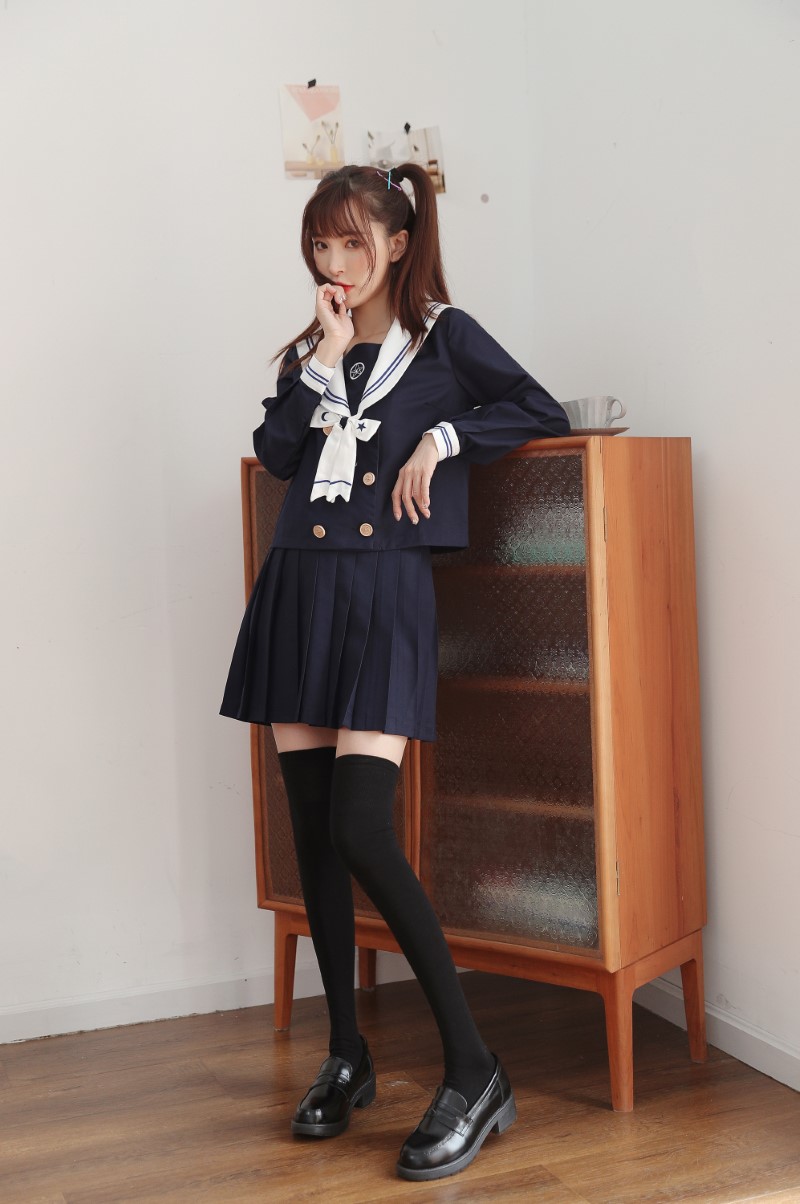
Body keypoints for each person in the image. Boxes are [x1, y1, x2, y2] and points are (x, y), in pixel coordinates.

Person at [219, 162, 569, 1182]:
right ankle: (347, 1053)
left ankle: (474, 1067)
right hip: (298, 588)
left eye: (351, 241)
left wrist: (443, 439)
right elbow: (278, 454)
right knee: (314, 835)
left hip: (383, 594)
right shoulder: (314, 350)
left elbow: (537, 406)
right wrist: (324, 357)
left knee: (361, 826)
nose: (334, 261)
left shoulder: (445, 337)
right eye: (320, 244)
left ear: (398, 243)